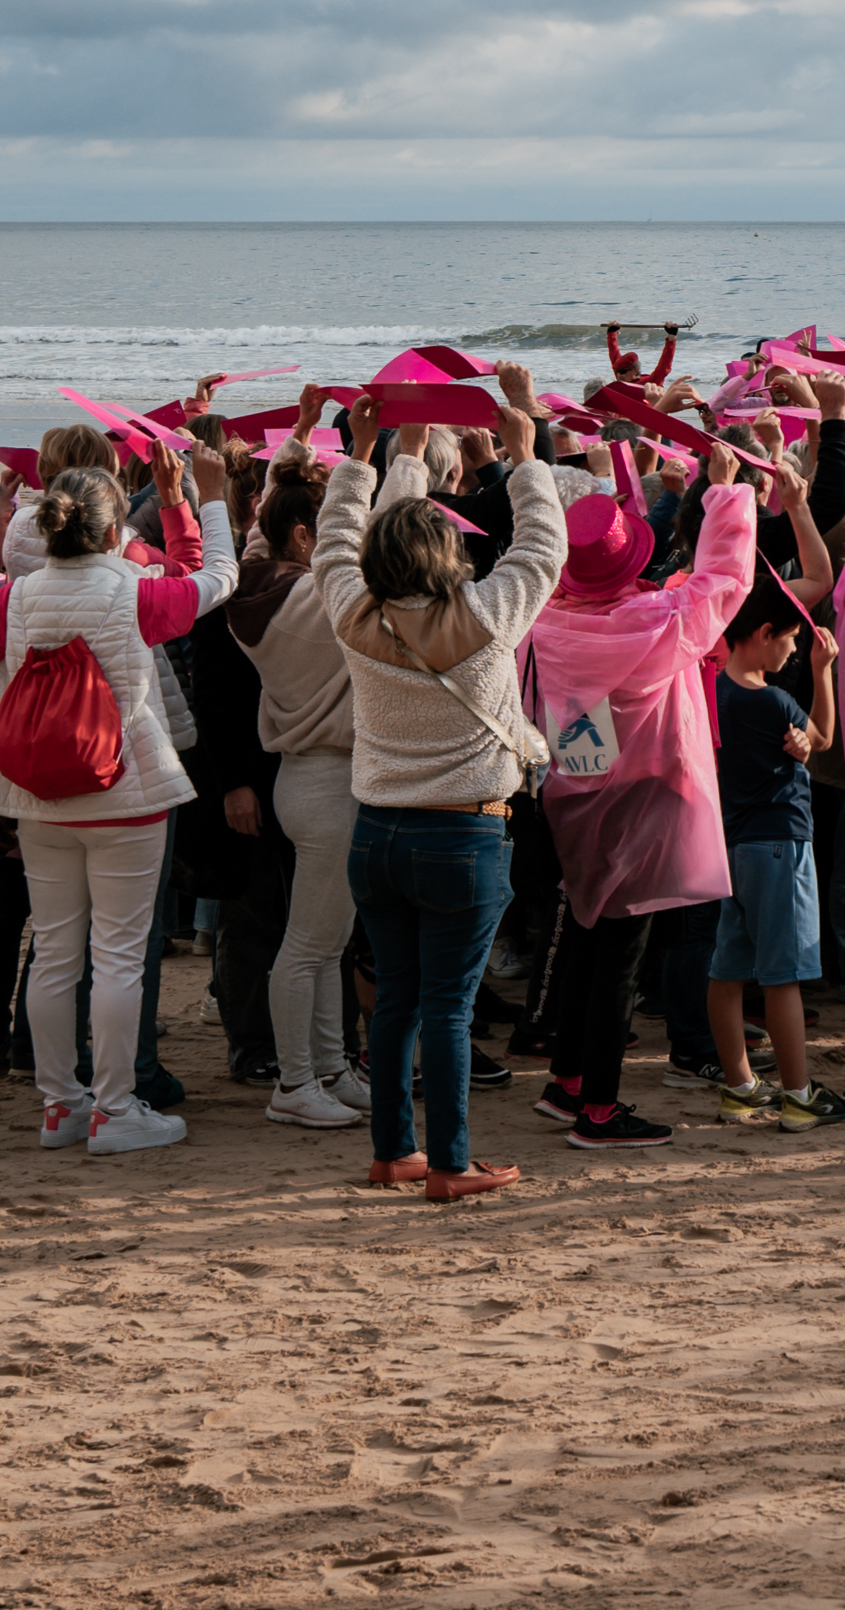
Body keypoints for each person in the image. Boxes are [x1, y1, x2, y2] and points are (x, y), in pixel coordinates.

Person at [0, 448, 240, 1157]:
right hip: (123, 793)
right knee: (121, 956)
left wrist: (2, 732)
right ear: (108, 533)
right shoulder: (134, 591)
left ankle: (60, 1106)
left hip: (42, 798)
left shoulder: (16, 595)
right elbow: (220, 578)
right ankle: (115, 1108)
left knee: (58, 954)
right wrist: (202, 498)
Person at [316, 369, 570, 1202]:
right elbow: (543, 543)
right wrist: (526, 447)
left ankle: (394, 1151)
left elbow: (335, 536)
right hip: (461, 835)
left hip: (377, 834)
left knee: (392, 1002)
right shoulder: (489, 616)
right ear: (450, 555)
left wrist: (381, 454)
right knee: (449, 1008)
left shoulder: (354, 613)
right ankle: (452, 1163)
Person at [521, 440, 759, 1153]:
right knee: (619, 956)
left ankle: (567, 1081)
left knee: (590, 939)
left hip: (574, 792)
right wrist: (722, 493)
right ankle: (599, 1107)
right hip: (645, 798)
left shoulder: (544, 624)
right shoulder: (654, 621)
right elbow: (725, 580)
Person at [226, 452, 365, 1128]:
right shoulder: (318, 601)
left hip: (300, 777)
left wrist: (298, 449)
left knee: (324, 943)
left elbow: (259, 534)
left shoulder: (255, 586)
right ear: (306, 537)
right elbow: (336, 547)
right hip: (329, 784)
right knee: (309, 946)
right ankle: (296, 1081)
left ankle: (331, 1068)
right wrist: (361, 463)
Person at [706, 597, 845, 1128]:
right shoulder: (771, 701)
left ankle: (741, 1085)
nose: (794, 650)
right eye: (790, 639)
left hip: (735, 845)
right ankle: (798, 1095)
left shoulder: (712, 690)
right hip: (780, 843)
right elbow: (823, 738)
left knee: (727, 970)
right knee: (782, 975)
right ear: (764, 634)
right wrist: (823, 672)